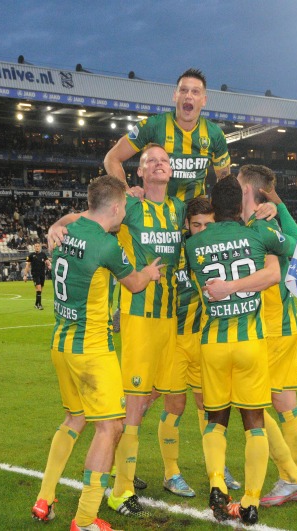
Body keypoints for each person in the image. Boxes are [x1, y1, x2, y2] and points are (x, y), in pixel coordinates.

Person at [49, 144, 186, 519]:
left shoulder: (179, 209)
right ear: (138, 173)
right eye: (150, 161)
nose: (159, 165)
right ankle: (120, 490)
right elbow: (84, 216)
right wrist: (55, 226)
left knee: (165, 396)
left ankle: (148, 470)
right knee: (135, 406)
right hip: (139, 317)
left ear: (171, 171)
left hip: (170, 320)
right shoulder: (132, 207)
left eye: (164, 161)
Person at [31, 176, 165, 531]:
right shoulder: (105, 245)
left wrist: (53, 226)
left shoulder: (70, 228)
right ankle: (86, 520)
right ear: (117, 207)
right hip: (91, 349)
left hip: (61, 344)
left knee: (74, 419)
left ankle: (44, 499)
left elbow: (66, 220)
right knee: (110, 428)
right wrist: (150, 273)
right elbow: (134, 284)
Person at [206, 165, 297, 506]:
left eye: (237, 185)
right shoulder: (254, 223)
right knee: (286, 405)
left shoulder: (262, 224)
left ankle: (292, 476)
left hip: (270, 328)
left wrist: (276, 206)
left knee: (253, 403)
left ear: (248, 190)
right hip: (277, 326)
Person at [184, 176, 281, 525]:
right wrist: (272, 210)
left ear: (213, 205)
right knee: (254, 422)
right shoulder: (256, 234)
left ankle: (215, 483)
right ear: (239, 204)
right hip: (250, 342)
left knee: (215, 420)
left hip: (213, 343)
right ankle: (251, 500)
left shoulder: (194, 244)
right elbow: (282, 260)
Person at [169, 197, 241, 497]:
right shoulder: (177, 251)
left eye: (207, 224)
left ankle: (218, 468)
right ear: (186, 225)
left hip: (203, 340)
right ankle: (171, 473)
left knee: (208, 407)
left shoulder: (218, 252)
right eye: (195, 224)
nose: (201, 230)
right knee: (174, 407)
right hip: (172, 340)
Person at [103, 68, 231, 202]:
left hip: (194, 216)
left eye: (195, 92)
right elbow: (111, 158)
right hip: (156, 212)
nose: (188, 96)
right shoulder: (152, 126)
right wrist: (125, 191)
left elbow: (225, 180)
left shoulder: (215, 134)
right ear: (175, 95)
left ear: (204, 100)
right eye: (183, 90)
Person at [25, 243, 51, 310]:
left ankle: (36, 304)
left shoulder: (43, 254)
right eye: (36, 246)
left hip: (42, 274)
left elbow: (48, 263)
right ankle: (39, 305)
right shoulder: (31, 255)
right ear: (34, 247)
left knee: (40, 290)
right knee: (39, 288)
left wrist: (50, 266)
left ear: (40, 247)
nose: (37, 247)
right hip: (35, 274)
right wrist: (25, 275)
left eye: (38, 246)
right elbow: (27, 265)